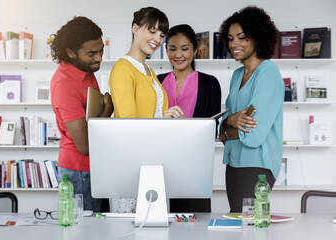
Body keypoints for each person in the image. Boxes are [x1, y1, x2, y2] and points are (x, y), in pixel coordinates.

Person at [108, 7, 183, 212]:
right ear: (135, 28)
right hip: (131, 163)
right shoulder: (123, 69)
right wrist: (162, 120)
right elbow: (129, 125)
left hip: (152, 161)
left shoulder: (148, 71)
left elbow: (154, 116)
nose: (157, 39)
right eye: (152, 31)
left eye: (161, 34)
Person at [219, 6, 284, 213]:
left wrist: (227, 129)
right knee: (238, 222)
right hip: (234, 163)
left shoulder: (268, 73)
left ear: (257, 38)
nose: (234, 44)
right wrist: (229, 123)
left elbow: (254, 135)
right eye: (230, 38)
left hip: (257, 166)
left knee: (250, 227)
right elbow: (223, 127)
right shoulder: (237, 75)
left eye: (241, 37)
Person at [50, 16, 113, 211]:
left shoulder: (86, 72)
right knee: (83, 237)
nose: (99, 58)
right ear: (71, 52)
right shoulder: (65, 83)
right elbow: (84, 145)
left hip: (91, 168)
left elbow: (89, 118)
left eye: (101, 50)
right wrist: (107, 111)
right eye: (91, 53)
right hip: (78, 171)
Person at [157, 24, 221, 212]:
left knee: (196, 224)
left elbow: (212, 129)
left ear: (195, 50)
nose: (178, 55)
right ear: (166, 49)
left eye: (185, 49)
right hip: (160, 162)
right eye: (172, 48)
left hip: (194, 166)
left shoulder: (210, 84)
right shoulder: (156, 81)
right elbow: (148, 123)